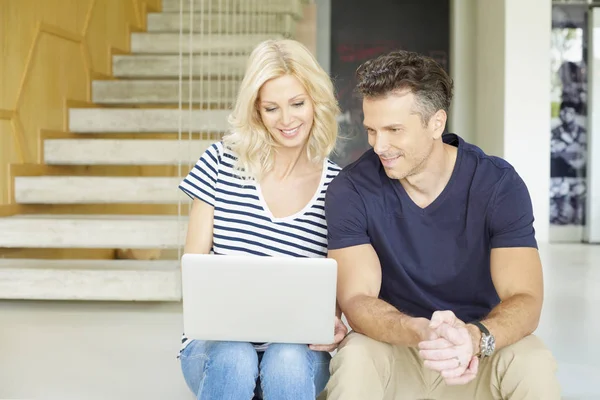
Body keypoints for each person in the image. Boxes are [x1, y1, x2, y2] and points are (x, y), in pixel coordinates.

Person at [318, 50, 561, 399]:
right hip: (395, 349)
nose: (378, 145)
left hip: (477, 354)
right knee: (356, 356)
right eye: (371, 129)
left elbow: (525, 297)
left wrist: (476, 338)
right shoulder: (351, 189)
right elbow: (357, 298)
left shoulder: (498, 185)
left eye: (394, 130)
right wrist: (420, 331)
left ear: (436, 123)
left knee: (533, 360)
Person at [177, 39, 348, 400]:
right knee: (236, 355)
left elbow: (333, 294)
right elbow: (193, 272)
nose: (286, 121)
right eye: (271, 108)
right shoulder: (221, 162)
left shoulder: (338, 186)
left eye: (297, 104)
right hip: (215, 346)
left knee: (285, 358)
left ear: (316, 101)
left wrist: (334, 324)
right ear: (256, 110)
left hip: (295, 352)